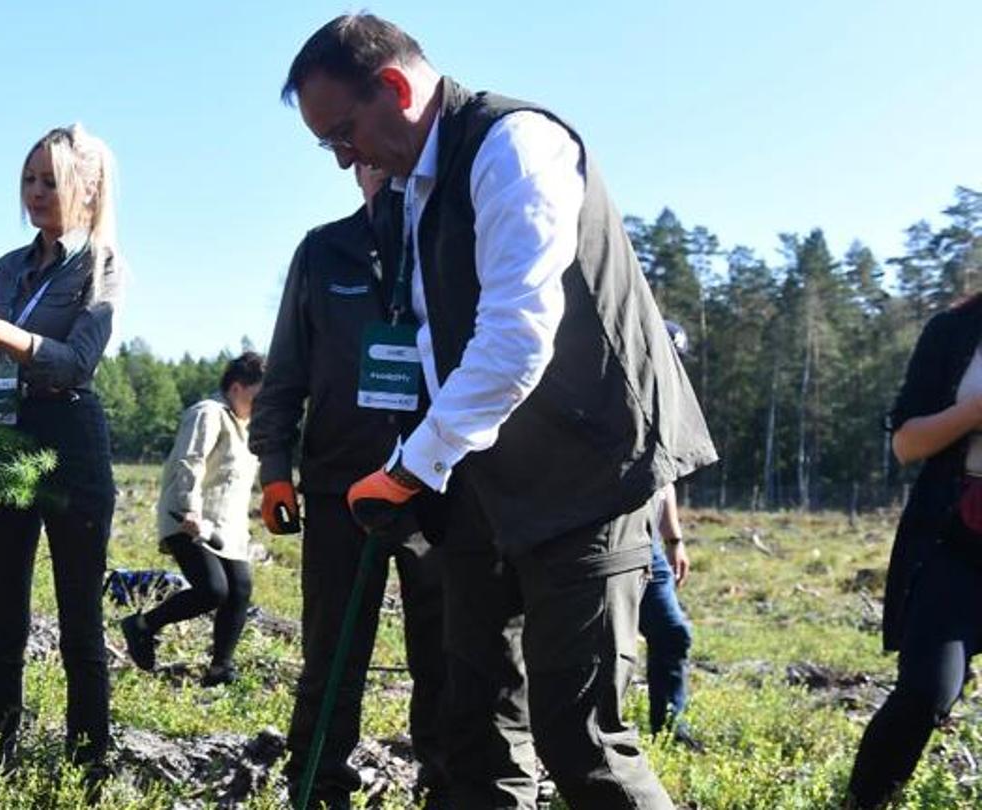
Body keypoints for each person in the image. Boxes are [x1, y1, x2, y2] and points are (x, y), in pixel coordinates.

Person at [281, 15, 717, 809]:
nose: (345, 157)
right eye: (329, 145)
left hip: (591, 474)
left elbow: (514, 340)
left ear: (396, 87)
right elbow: (432, 342)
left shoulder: (514, 147)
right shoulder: (417, 190)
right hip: (489, 483)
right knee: (474, 723)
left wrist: (411, 467)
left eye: (344, 132)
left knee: (581, 737)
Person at [0, 123, 125, 777]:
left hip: (71, 442)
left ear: (87, 189)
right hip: (7, 436)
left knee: (80, 621)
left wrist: (0, 331)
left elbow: (76, 363)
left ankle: (87, 768)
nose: (35, 193)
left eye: (51, 182)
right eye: (29, 180)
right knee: (3, 617)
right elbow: (5, 371)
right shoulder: (8, 268)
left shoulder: (102, 264)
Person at [249, 164, 449, 808]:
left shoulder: (448, 240)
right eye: (363, 158)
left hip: (435, 483)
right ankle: (317, 783)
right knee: (331, 649)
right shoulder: (323, 250)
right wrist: (274, 468)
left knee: (444, 652)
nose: (376, 169)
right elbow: (286, 369)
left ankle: (446, 785)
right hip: (340, 486)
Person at [847, 296, 982, 807]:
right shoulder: (954, 330)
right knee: (926, 691)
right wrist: (974, 411)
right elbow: (906, 443)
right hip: (955, 541)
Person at [120, 352, 265, 687]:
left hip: (227, 527)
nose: (262, 404)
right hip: (189, 517)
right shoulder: (208, 413)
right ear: (237, 387)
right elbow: (190, 460)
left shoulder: (246, 428)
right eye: (258, 395)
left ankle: (220, 670)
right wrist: (190, 508)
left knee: (240, 589)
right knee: (213, 589)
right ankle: (141, 626)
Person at [639, 320, 697, 745]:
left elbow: (665, 478)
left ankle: (669, 729)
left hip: (651, 545)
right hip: (606, 541)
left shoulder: (667, 406)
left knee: (671, 631)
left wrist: (674, 540)